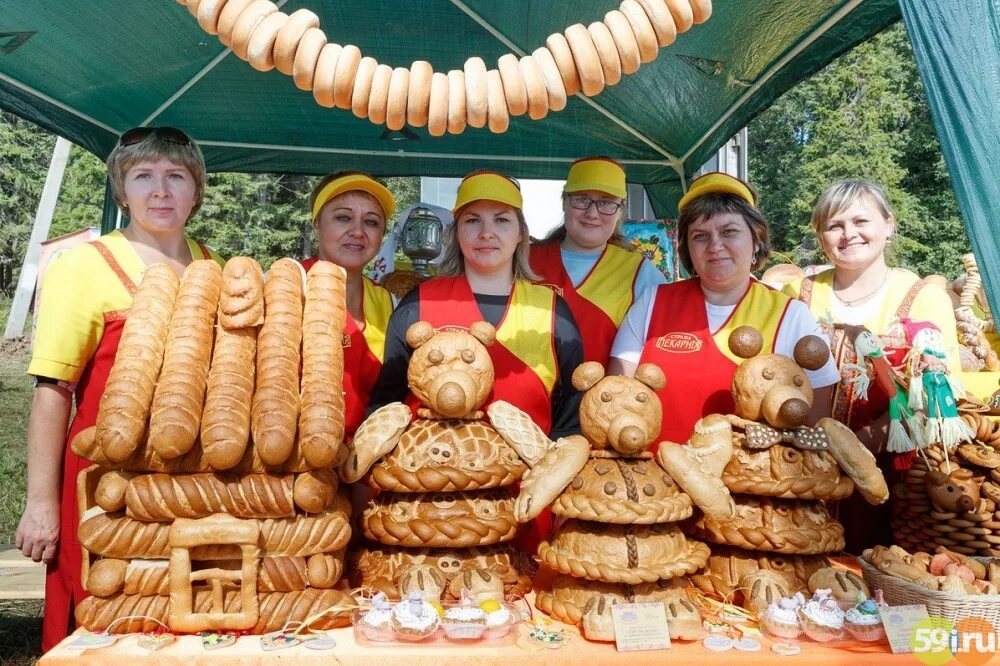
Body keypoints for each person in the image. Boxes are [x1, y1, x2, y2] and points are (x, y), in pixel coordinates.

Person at [15, 127, 223, 651]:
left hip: (191, 478)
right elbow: (52, 389)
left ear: (196, 192)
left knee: (182, 608)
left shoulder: (213, 266)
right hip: (103, 483)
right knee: (103, 610)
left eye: (176, 177)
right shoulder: (84, 266)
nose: (161, 191)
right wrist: (40, 503)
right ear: (120, 190)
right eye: (144, 177)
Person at [368, 170, 584, 549]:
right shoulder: (419, 304)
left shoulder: (553, 311)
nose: (487, 233)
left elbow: (571, 420)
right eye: (473, 221)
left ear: (521, 233)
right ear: (456, 234)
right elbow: (386, 405)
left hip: (524, 507)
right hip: (427, 510)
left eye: (502, 220)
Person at [783, 179, 961, 551]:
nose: (849, 234)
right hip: (803, 470)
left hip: (893, 478)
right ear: (820, 235)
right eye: (834, 225)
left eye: (860, 221)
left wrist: (856, 447)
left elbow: (938, 398)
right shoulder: (797, 292)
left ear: (888, 224)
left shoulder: (923, 297)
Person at [608, 172, 840, 448]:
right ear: (688, 249)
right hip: (656, 482)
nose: (715, 247)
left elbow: (815, 420)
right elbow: (617, 396)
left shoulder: (791, 315)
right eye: (700, 236)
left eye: (729, 232)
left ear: (756, 240)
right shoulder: (652, 301)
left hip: (748, 485)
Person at [530, 156, 666, 365]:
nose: (592, 213)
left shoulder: (641, 273)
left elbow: (657, 353)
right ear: (565, 202)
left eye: (606, 202)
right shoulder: (525, 260)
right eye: (582, 199)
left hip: (603, 395)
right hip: (526, 394)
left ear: (620, 211)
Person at [301, 171, 396, 437]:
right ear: (317, 223)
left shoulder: (389, 302)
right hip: (294, 461)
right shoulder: (286, 287)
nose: (357, 232)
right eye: (343, 218)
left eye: (372, 222)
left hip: (366, 465)